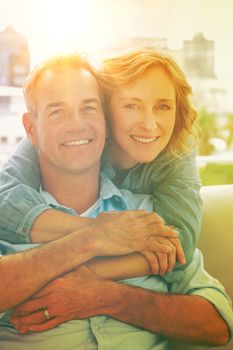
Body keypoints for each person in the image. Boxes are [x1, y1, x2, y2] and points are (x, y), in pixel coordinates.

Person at [0, 53, 232, 350]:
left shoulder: (148, 218)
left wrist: (105, 296)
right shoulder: (12, 208)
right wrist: (93, 237)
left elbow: (219, 325)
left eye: (88, 108)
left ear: (104, 122)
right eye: (57, 112)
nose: (77, 125)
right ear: (31, 128)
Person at [0, 47, 201, 280]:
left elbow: (179, 243)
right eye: (131, 106)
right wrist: (102, 234)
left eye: (163, 106)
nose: (149, 124)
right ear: (106, 111)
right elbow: (4, 200)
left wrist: (79, 279)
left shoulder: (177, 150)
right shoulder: (68, 139)